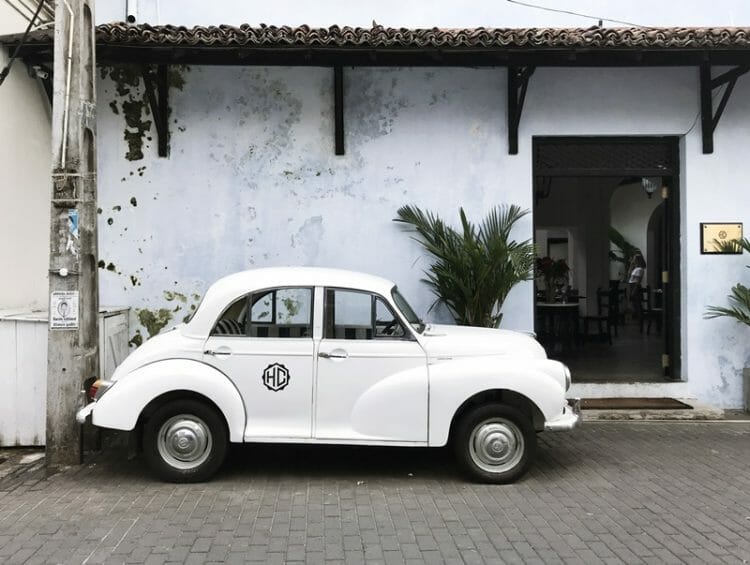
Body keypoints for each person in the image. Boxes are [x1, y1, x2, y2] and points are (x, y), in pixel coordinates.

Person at [627, 253, 646, 320]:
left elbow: (638, 281)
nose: (633, 260)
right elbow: (629, 275)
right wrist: (631, 265)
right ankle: (637, 317)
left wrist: (634, 290)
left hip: (635, 286)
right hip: (631, 285)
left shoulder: (640, 269)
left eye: (634, 259)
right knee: (634, 303)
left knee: (637, 303)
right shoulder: (635, 268)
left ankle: (640, 317)